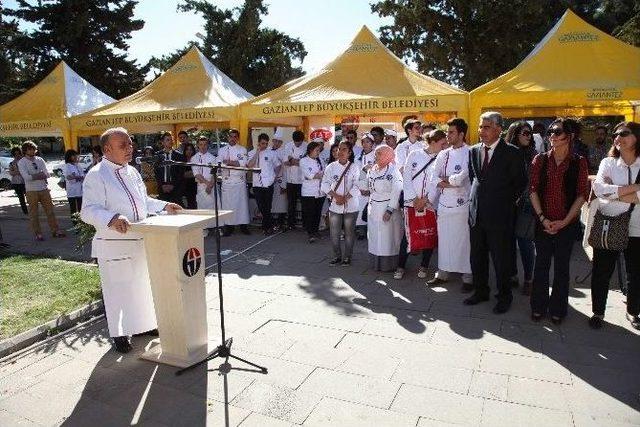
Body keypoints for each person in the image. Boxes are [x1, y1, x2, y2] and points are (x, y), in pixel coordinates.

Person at [81, 127, 182, 353]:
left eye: (130, 143)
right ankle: (119, 334)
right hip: (114, 245)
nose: (129, 148)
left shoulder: (133, 172)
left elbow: (143, 202)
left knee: (141, 287)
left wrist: (164, 205)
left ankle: (142, 326)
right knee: (119, 290)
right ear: (107, 149)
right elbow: (87, 211)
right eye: (123, 145)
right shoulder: (97, 174)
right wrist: (111, 218)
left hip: (140, 240)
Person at [465, 112, 527, 314]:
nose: (481, 131)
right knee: (477, 257)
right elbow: (475, 179)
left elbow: (520, 184)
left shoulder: (512, 153)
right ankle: (480, 291)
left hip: (500, 216)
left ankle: (504, 296)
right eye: (480, 127)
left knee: (501, 259)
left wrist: (506, 205)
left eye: (486, 127)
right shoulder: (473, 151)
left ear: (499, 129)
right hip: (476, 214)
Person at [529, 118, 589, 323]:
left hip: (567, 223)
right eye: (550, 131)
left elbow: (582, 194)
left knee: (562, 269)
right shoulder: (540, 159)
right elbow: (533, 190)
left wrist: (564, 222)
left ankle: (558, 309)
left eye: (557, 131)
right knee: (541, 266)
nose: (552, 135)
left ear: (569, 136)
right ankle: (538, 306)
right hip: (543, 222)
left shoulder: (579, 162)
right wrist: (543, 218)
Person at [589, 121, 640, 329]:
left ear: (637, 137)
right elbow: (600, 190)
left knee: (635, 272)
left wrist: (616, 193)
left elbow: (608, 192)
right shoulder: (608, 163)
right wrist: (635, 189)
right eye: (615, 135)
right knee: (602, 270)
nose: (618, 138)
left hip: (637, 226)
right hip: (609, 224)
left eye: (624, 134)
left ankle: (633, 310)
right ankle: (598, 312)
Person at [395, 129, 447, 279]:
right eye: (442, 144)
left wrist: (426, 199)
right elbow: (406, 177)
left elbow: (437, 182)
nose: (444, 147)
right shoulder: (415, 154)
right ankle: (400, 266)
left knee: (428, 233)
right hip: (411, 202)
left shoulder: (442, 158)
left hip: (429, 203)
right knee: (408, 234)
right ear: (432, 142)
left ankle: (424, 266)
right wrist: (413, 199)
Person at [428, 119, 473, 290]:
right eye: (447, 132)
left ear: (461, 134)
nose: (448, 135)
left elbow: (462, 178)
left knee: (464, 241)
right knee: (445, 240)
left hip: (462, 204)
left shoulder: (470, 152)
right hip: (445, 204)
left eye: (451, 132)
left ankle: (468, 276)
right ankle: (443, 273)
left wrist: (446, 180)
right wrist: (449, 182)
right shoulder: (443, 154)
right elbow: (434, 178)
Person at [505, 121, 538, 295]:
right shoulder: (505, 153)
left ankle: (529, 279)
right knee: (509, 243)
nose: (529, 136)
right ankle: (512, 275)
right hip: (507, 205)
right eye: (525, 133)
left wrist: (520, 196)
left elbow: (535, 182)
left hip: (526, 204)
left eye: (530, 133)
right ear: (515, 134)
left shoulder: (534, 155)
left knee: (525, 243)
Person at [17, 141, 65, 241]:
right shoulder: (21, 162)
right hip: (31, 191)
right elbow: (26, 177)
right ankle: (38, 234)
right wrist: (39, 175)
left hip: (43, 189)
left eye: (34, 149)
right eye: (30, 149)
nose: (33, 151)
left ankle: (55, 231)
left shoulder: (40, 159)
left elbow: (47, 174)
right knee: (34, 214)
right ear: (25, 150)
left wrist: (36, 176)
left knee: (50, 211)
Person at [321, 141, 360, 265]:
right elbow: (325, 184)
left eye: (344, 149)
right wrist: (337, 197)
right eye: (339, 149)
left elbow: (357, 185)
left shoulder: (354, 167)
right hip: (335, 206)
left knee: (349, 233)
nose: (340, 152)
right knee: (334, 233)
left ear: (349, 153)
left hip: (351, 206)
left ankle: (347, 257)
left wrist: (346, 197)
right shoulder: (331, 167)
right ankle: (337, 256)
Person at [367, 144, 403, 271]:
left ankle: (390, 265)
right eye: (375, 153)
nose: (375, 156)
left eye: (378, 154)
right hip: (373, 208)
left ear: (387, 156)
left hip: (387, 209)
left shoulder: (394, 171)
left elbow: (397, 190)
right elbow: (365, 186)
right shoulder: (372, 170)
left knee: (388, 239)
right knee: (374, 237)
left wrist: (390, 209)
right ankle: (376, 264)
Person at [218, 128, 250, 235]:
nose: (232, 138)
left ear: (238, 138)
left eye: (235, 136)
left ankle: (243, 226)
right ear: (228, 137)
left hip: (239, 181)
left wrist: (228, 162)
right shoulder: (222, 150)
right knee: (228, 206)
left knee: (241, 206)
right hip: (227, 181)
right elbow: (219, 163)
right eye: (231, 136)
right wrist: (233, 163)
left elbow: (242, 163)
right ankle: (229, 227)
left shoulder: (242, 149)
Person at [248, 133, 280, 234]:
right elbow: (249, 166)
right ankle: (270, 225)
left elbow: (278, 165)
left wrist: (275, 177)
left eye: (266, 143)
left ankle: (266, 227)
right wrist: (257, 152)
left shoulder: (271, 153)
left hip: (268, 183)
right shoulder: (251, 153)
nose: (264, 145)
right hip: (257, 184)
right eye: (262, 143)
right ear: (258, 143)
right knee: (261, 206)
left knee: (267, 206)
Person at [299, 141, 325, 242]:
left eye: (319, 150)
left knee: (317, 213)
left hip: (320, 191)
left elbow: (324, 172)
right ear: (310, 150)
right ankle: (310, 233)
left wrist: (319, 175)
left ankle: (315, 230)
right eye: (317, 150)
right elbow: (309, 175)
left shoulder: (320, 160)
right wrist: (318, 175)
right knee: (309, 213)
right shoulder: (303, 161)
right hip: (308, 192)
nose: (318, 152)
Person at [283, 130, 308, 230]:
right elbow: (286, 162)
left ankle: (306, 224)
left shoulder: (307, 146)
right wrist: (296, 161)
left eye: (299, 142)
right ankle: (290, 224)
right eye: (296, 142)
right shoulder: (288, 146)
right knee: (291, 204)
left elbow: (305, 163)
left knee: (304, 204)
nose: (298, 144)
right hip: (291, 180)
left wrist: (292, 160)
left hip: (302, 181)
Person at [154, 132, 185, 206]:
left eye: (171, 140)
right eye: (168, 140)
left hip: (176, 188)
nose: (171, 141)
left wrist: (172, 185)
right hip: (162, 188)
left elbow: (181, 173)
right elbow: (156, 172)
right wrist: (162, 185)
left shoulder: (179, 156)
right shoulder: (157, 155)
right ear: (162, 142)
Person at [355, 134, 375, 240]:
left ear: (372, 143)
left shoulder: (376, 155)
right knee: (360, 209)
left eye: (368, 142)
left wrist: (370, 190)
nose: (365, 144)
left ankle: (371, 232)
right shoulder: (357, 156)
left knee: (371, 211)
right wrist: (360, 188)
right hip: (360, 189)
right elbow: (355, 173)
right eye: (363, 142)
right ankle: (361, 231)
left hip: (371, 189)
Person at [192, 136, 217, 210]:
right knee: (202, 208)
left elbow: (215, 173)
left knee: (213, 208)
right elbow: (196, 174)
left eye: (205, 144)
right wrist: (207, 184)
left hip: (212, 186)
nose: (203, 146)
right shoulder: (194, 158)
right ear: (197, 145)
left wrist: (210, 186)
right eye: (201, 144)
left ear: (208, 145)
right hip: (201, 186)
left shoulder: (213, 158)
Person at [270, 130, 288, 230]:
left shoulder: (284, 152)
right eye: (275, 141)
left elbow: (285, 168)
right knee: (271, 203)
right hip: (270, 181)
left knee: (281, 204)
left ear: (281, 143)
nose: (276, 143)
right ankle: (273, 223)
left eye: (278, 141)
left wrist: (284, 184)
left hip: (280, 181)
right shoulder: (268, 150)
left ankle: (281, 223)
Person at [63, 149, 85, 219]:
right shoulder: (67, 166)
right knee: (73, 210)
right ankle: (75, 224)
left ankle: (82, 223)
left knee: (81, 208)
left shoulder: (78, 165)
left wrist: (76, 177)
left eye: (76, 155)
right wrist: (78, 177)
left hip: (80, 191)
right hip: (71, 192)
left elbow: (82, 176)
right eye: (73, 155)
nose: (76, 157)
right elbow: (69, 177)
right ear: (69, 157)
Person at [8, 147, 28, 215]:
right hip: (16, 183)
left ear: (20, 153)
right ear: (13, 155)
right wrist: (19, 171)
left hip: (25, 182)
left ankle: (32, 210)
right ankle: (26, 212)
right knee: (21, 198)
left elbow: (27, 171)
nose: (17, 155)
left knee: (29, 196)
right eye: (15, 154)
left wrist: (17, 171)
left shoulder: (24, 161)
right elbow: (11, 173)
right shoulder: (11, 163)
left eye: (18, 153)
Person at [182, 143, 197, 209]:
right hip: (185, 185)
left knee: (193, 203)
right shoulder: (182, 160)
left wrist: (192, 173)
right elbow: (182, 174)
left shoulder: (196, 159)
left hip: (195, 185)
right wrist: (192, 173)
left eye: (191, 149)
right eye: (187, 149)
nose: (189, 151)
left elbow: (197, 173)